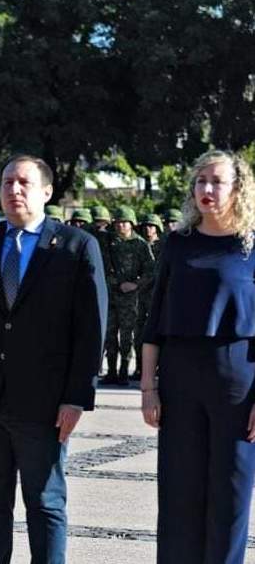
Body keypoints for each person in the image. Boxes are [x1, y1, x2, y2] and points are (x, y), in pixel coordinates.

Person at [0, 154, 107, 563]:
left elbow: (91, 330)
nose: (14, 190)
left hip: (44, 405)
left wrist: (76, 397)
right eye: (7, 182)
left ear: (47, 192)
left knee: (45, 505)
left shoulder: (75, 246)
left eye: (24, 183)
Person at [140, 151, 255, 564]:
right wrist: (149, 388)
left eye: (217, 181)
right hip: (179, 375)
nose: (206, 189)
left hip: (238, 380)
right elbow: (154, 321)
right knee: (179, 492)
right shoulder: (178, 243)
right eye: (200, 181)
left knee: (231, 493)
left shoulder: (252, 246)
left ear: (238, 187)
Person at [102, 206, 155, 385]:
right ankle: (111, 371)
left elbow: (151, 271)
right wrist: (116, 283)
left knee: (126, 336)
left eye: (124, 222)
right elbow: (102, 267)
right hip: (110, 295)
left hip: (130, 297)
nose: (121, 226)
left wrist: (135, 284)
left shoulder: (140, 245)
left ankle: (124, 371)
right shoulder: (108, 242)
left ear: (131, 224)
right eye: (118, 222)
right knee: (110, 334)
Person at [134, 213, 164, 377]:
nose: (148, 229)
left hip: (158, 295)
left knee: (157, 332)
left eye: (151, 225)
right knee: (138, 333)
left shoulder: (165, 245)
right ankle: (140, 367)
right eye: (145, 225)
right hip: (139, 294)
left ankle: (158, 368)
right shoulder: (138, 245)